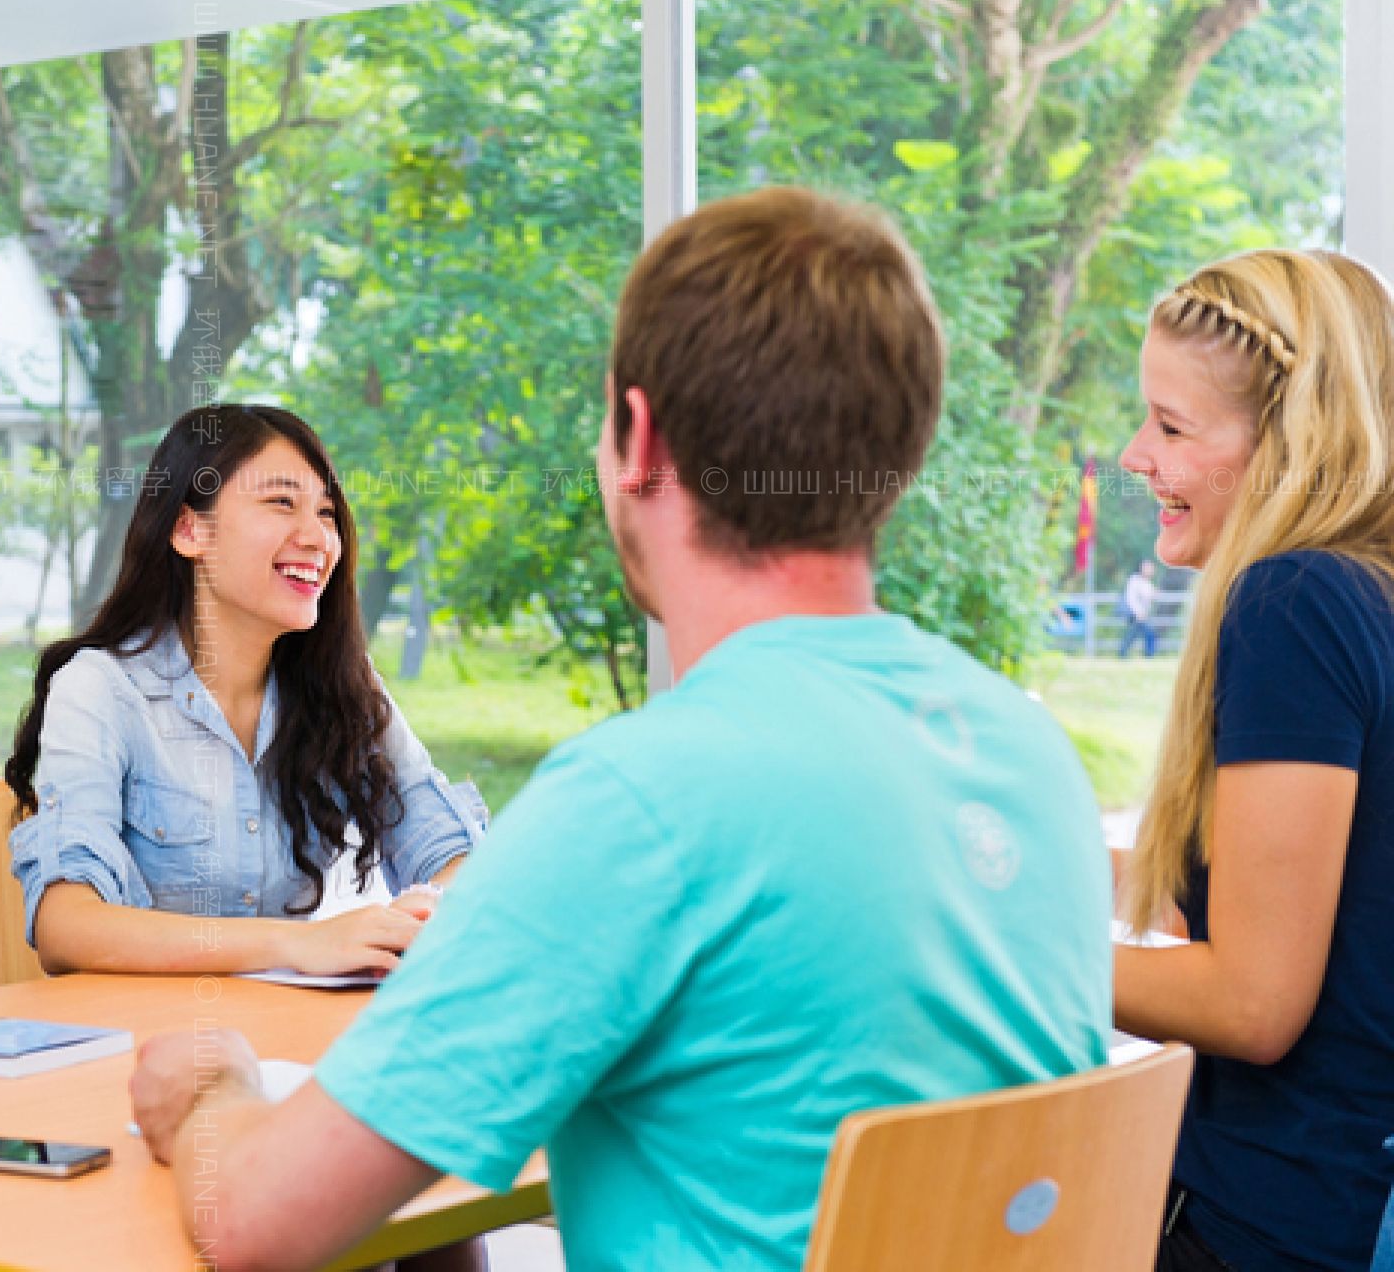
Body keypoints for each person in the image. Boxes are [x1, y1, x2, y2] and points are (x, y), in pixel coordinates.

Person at [126, 186, 1113, 1271]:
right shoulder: (1032, 757)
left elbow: (256, 1225)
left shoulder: (642, 803)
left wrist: (212, 1090)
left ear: (637, 436)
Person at [1113, 249, 1394, 1271]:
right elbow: (1307, 887)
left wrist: (1005, 959)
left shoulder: (1295, 603)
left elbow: (1254, 1000)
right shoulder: (1369, 593)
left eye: (1173, 426)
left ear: (1288, 441)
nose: (1135, 454)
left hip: (1279, 1223)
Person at [3, 403, 487, 977]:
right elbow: (67, 926)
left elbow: (450, 854)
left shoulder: (343, 686)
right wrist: (294, 945)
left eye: (327, 513)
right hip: (145, 1041)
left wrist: (425, 914)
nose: (318, 538)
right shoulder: (100, 689)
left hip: (280, 1034)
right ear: (190, 529)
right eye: (281, 503)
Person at [1119, 558, 1161, 656]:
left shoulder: (1147, 582)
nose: (1151, 570)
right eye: (1148, 568)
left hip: (1141, 614)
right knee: (1148, 634)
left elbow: (1150, 596)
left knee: (1134, 634)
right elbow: (1130, 598)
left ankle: (1123, 654)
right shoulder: (1135, 580)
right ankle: (1148, 654)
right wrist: (1137, 612)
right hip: (1136, 614)